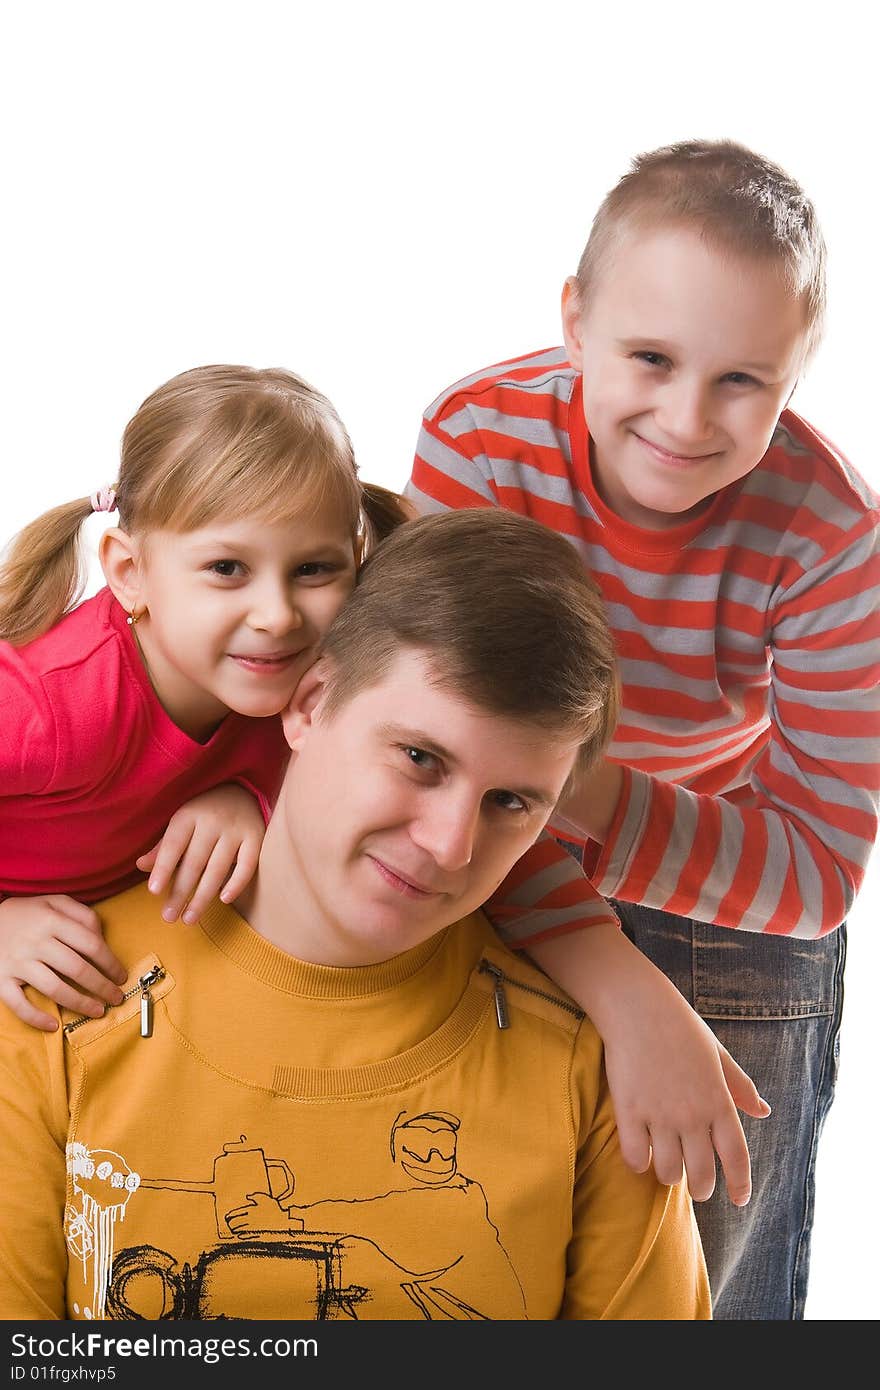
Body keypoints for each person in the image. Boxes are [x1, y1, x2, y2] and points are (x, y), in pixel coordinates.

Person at [0, 509, 710, 1322]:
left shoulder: (607, 1075)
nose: (450, 846)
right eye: (419, 758)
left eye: (510, 802)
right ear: (308, 701)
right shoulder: (52, 1004)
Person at [405, 139, 880, 1320]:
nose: (684, 417)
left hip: (719, 870)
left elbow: (817, 869)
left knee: (714, 1270)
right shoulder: (478, 439)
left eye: (742, 382)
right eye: (650, 357)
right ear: (575, 321)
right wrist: (611, 972)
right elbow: (452, 744)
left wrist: (590, 795)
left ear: (796, 378)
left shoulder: (831, 533)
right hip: (510, 829)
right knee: (503, 1230)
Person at [0, 364, 407, 1030]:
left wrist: (251, 799)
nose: (277, 615)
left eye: (313, 569)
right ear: (131, 574)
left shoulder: (311, 678)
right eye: (227, 569)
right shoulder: (48, 707)